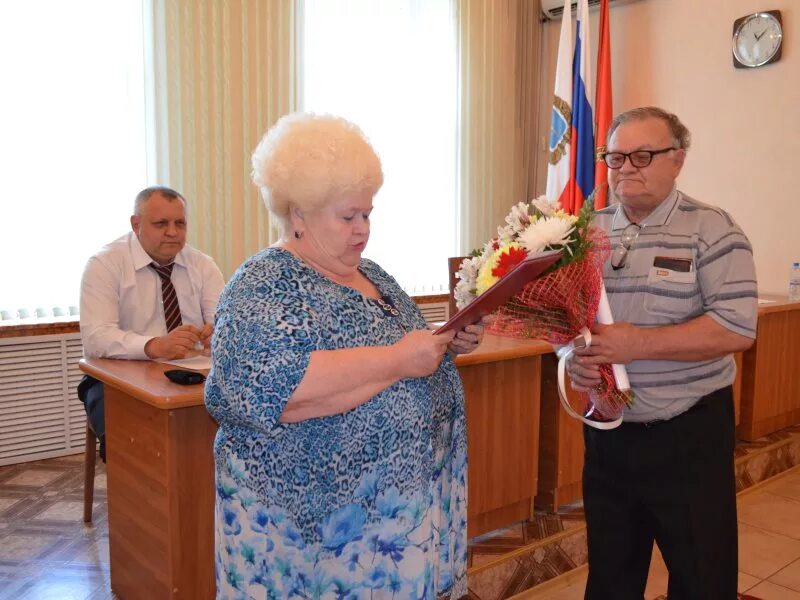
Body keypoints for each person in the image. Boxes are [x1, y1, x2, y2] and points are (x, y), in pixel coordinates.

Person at [205, 113, 483, 599]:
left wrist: (445, 345)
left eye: (367, 215)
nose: (362, 230)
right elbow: (281, 393)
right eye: (347, 217)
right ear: (298, 213)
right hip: (315, 537)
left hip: (398, 522)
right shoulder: (263, 283)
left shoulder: (374, 274)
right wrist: (400, 360)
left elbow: (408, 351)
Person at [566, 107, 757, 600]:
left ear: (678, 160)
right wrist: (577, 360)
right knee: (611, 577)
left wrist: (639, 343)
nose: (627, 167)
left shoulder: (712, 230)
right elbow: (573, 322)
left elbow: (736, 328)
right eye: (615, 156)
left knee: (701, 577)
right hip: (608, 436)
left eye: (643, 155)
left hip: (688, 435)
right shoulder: (587, 233)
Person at [78, 186, 224, 460]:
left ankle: (205, 500)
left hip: (192, 373)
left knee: (231, 424)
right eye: (161, 224)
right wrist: (154, 346)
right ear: (136, 224)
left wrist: (216, 332)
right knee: (134, 447)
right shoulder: (105, 264)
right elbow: (96, 337)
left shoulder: (202, 264)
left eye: (180, 223)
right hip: (114, 381)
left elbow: (224, 320)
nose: (173, 232)